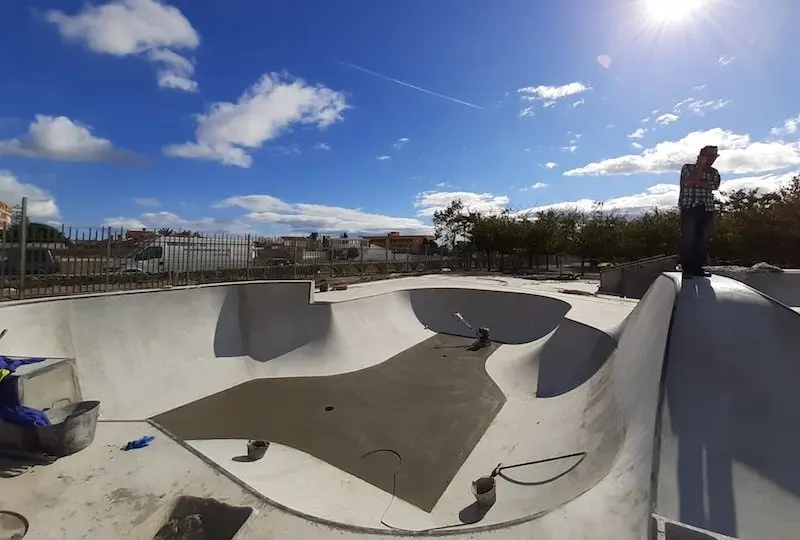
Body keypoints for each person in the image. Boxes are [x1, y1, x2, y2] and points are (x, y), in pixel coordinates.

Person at [678, 145, 720, 278]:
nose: (712, 159)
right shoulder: (687, 168)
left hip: (707, 208)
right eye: (710, 156)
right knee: (688, 238)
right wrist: (700, 167)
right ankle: (687, 269)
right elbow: (689, 180)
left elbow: (713, 186)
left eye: (714, 156)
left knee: (702, 239)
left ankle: (698, 268)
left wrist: (698, 181)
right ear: (702, 156)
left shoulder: (714, 172)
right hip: (689, 206)